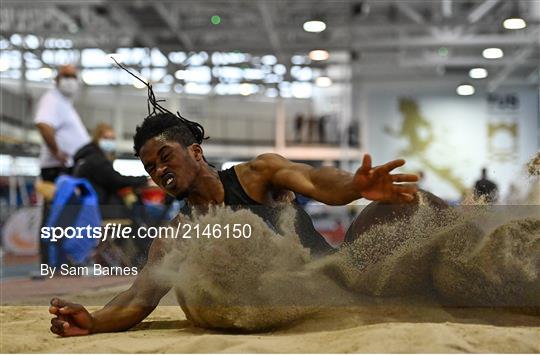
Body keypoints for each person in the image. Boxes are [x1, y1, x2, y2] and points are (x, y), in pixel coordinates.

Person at [49, 110, 418, 337]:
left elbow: (317, 182)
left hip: (342, 276)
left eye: (165, 157)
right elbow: (139, 296)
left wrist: (355, 185)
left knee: (406, 206)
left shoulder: (259, 175)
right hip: (296, 311)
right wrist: (94, 322)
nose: (160, 171)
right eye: (151, 169)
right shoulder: (177, 235)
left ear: (195, 151)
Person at [34, 64, 90, 265]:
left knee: (67, 217)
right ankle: (50, 262)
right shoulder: (52, 99)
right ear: (57, 79)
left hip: (67, 170)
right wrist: (57, 152)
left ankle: (61, 261)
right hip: (57, 170)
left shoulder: (65, 104)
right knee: (55, 217)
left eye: (73, 76)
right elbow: (43, 124)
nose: (70, 80)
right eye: (66, 75)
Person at [73, 122, 148, 218]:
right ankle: (146, 229)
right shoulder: (96, 159)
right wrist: (145, 180)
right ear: (97, 139)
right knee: (134, 206)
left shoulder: (87, 155)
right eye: (106, 138)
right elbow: (117, 180)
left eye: (112, 139)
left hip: (90, 203)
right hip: (98, 206)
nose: (109, 142)